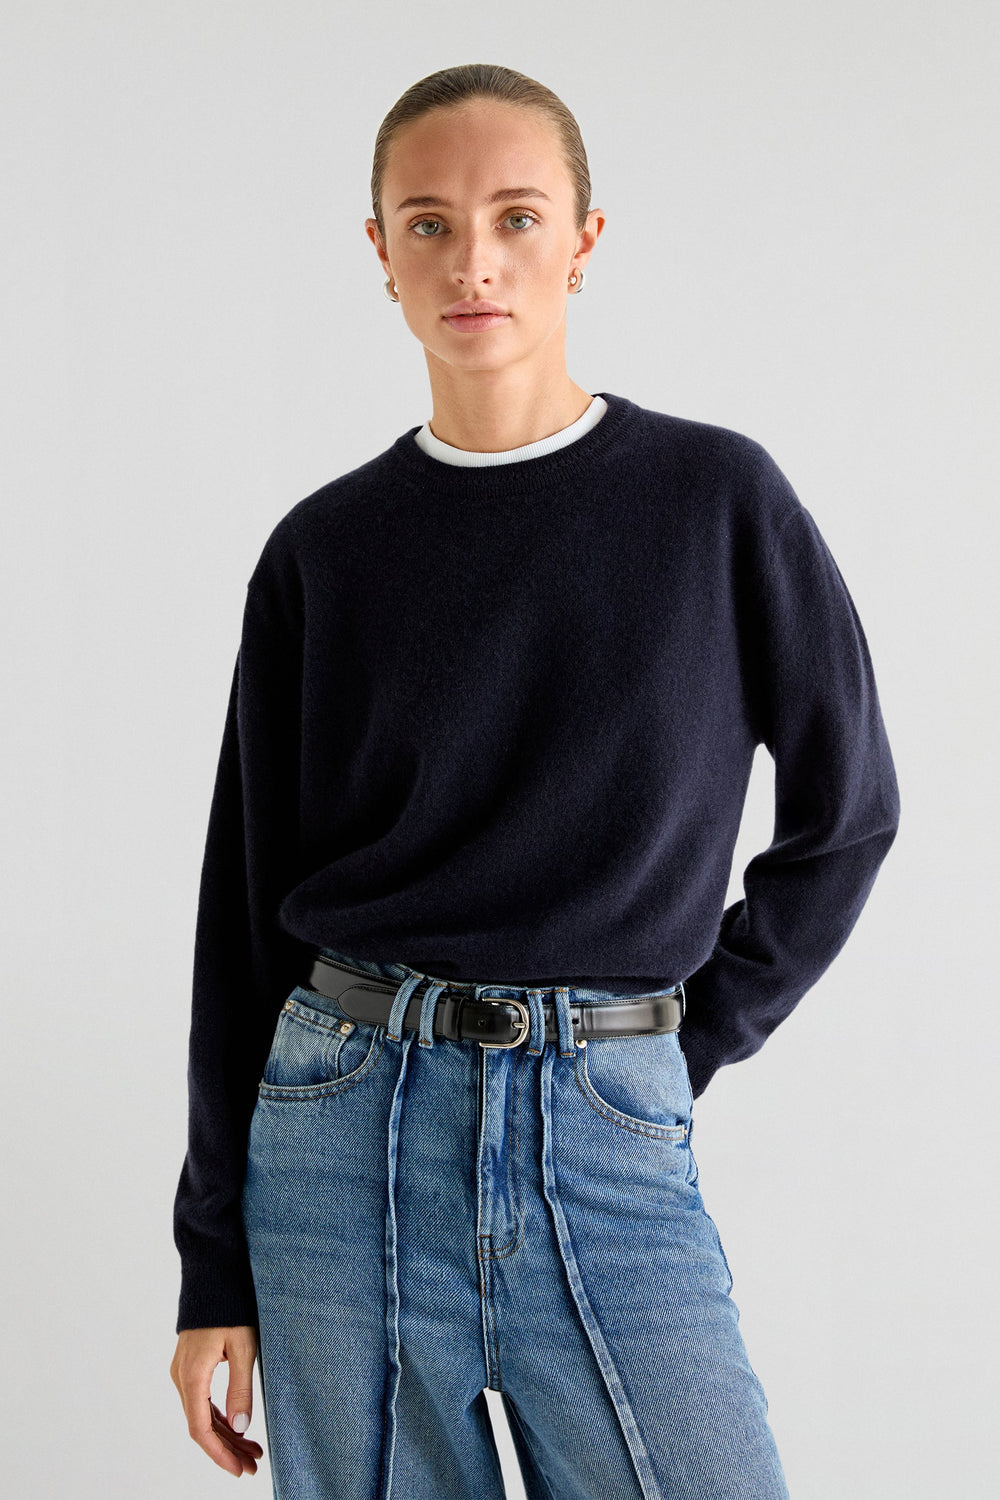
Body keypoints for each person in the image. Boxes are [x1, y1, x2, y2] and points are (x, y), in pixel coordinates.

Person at [169, 62, 899, 1499]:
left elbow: (848, 815)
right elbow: (240, 913)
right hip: (341, 1141)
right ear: (380, 252)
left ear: (583, 240)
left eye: (516, 216)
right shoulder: (324, 550)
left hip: (607, 1133)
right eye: (428, 223)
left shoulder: (717, 501)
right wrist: (212, 1263)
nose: (474, 260)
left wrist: (675, 1041)